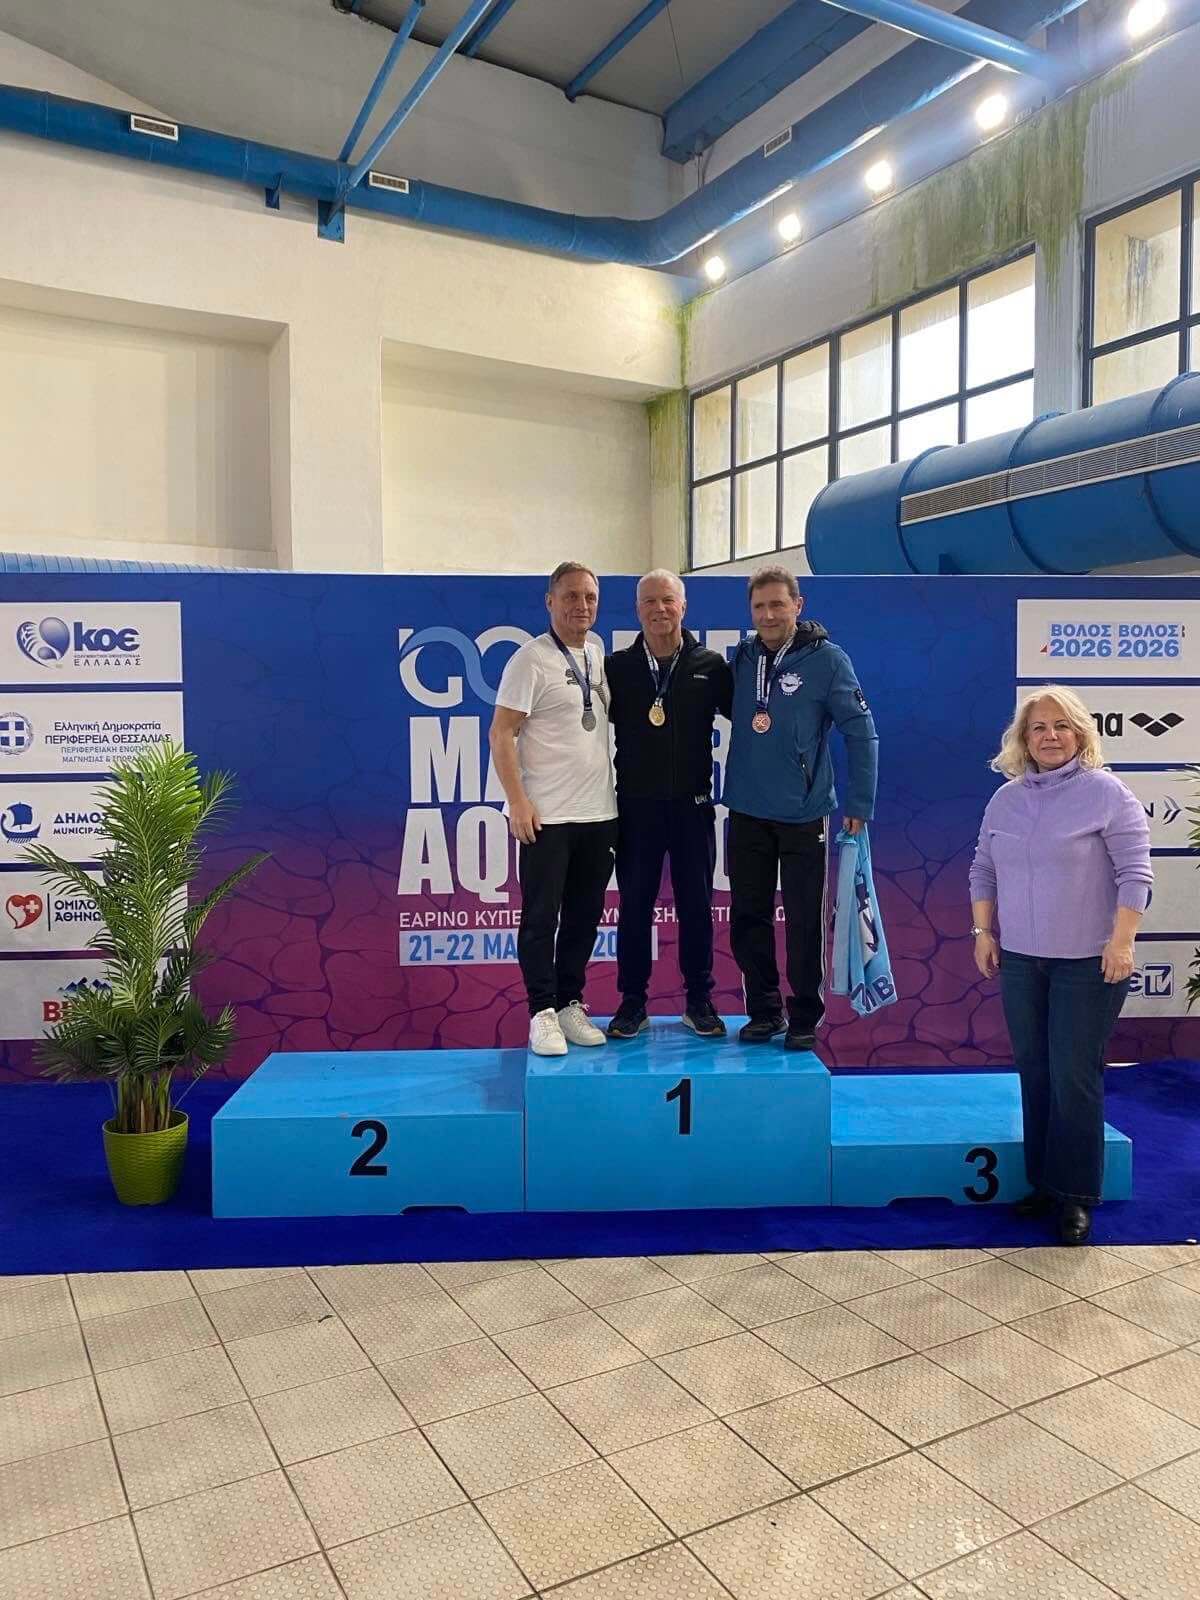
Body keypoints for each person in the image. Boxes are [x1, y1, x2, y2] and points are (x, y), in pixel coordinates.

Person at [969, 686, 1152, 1245]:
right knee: (1036, 1069)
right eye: (1038, 728)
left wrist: (1122, 943)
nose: (1050, 736)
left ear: (1080, 734)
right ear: (1023, 739)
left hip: (1088, 962)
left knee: (1073, 1075)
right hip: (1023, 961)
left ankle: (1075, 1196)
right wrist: (983, 932)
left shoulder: (1107, 793)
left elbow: (1135, 874)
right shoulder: (1005, 799)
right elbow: (983, 868)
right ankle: (1045, 1185)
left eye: (1060, 726)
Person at [724, 566, 877, 1051]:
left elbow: (861, 732)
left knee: (804, 920)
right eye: (759, 606)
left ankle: (804, 1015)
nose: (768, 615)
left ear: (798, 605)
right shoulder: (743, 657)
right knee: (748, 917)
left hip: (803, 814)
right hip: (746, 810)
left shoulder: (828, 661)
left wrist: (859, 802)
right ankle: (764, 1010)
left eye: (777, 604)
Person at [489, 562, 616, 1057]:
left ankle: (569, 1003)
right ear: (550, 601)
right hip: (547, 816)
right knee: (542, 917)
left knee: (584, 916)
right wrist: (517, 801)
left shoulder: (597, 654)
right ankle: (541, 1011)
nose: (581, 605)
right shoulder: (530, 659)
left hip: (598, 814)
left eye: (589, 597)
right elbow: (502, 732)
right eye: (570, 596)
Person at [604, 570, 733, 1040]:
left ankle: (699, 1001)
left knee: (696, 906)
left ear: (684, 606)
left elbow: (756, 718)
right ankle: (632, 1002)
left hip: (692, 808)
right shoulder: (617, 668)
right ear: (637, 610)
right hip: (635, 809)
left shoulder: (711, 666)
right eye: (649, 602)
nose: (659, 609)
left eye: (667, 600)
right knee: (634, 906)